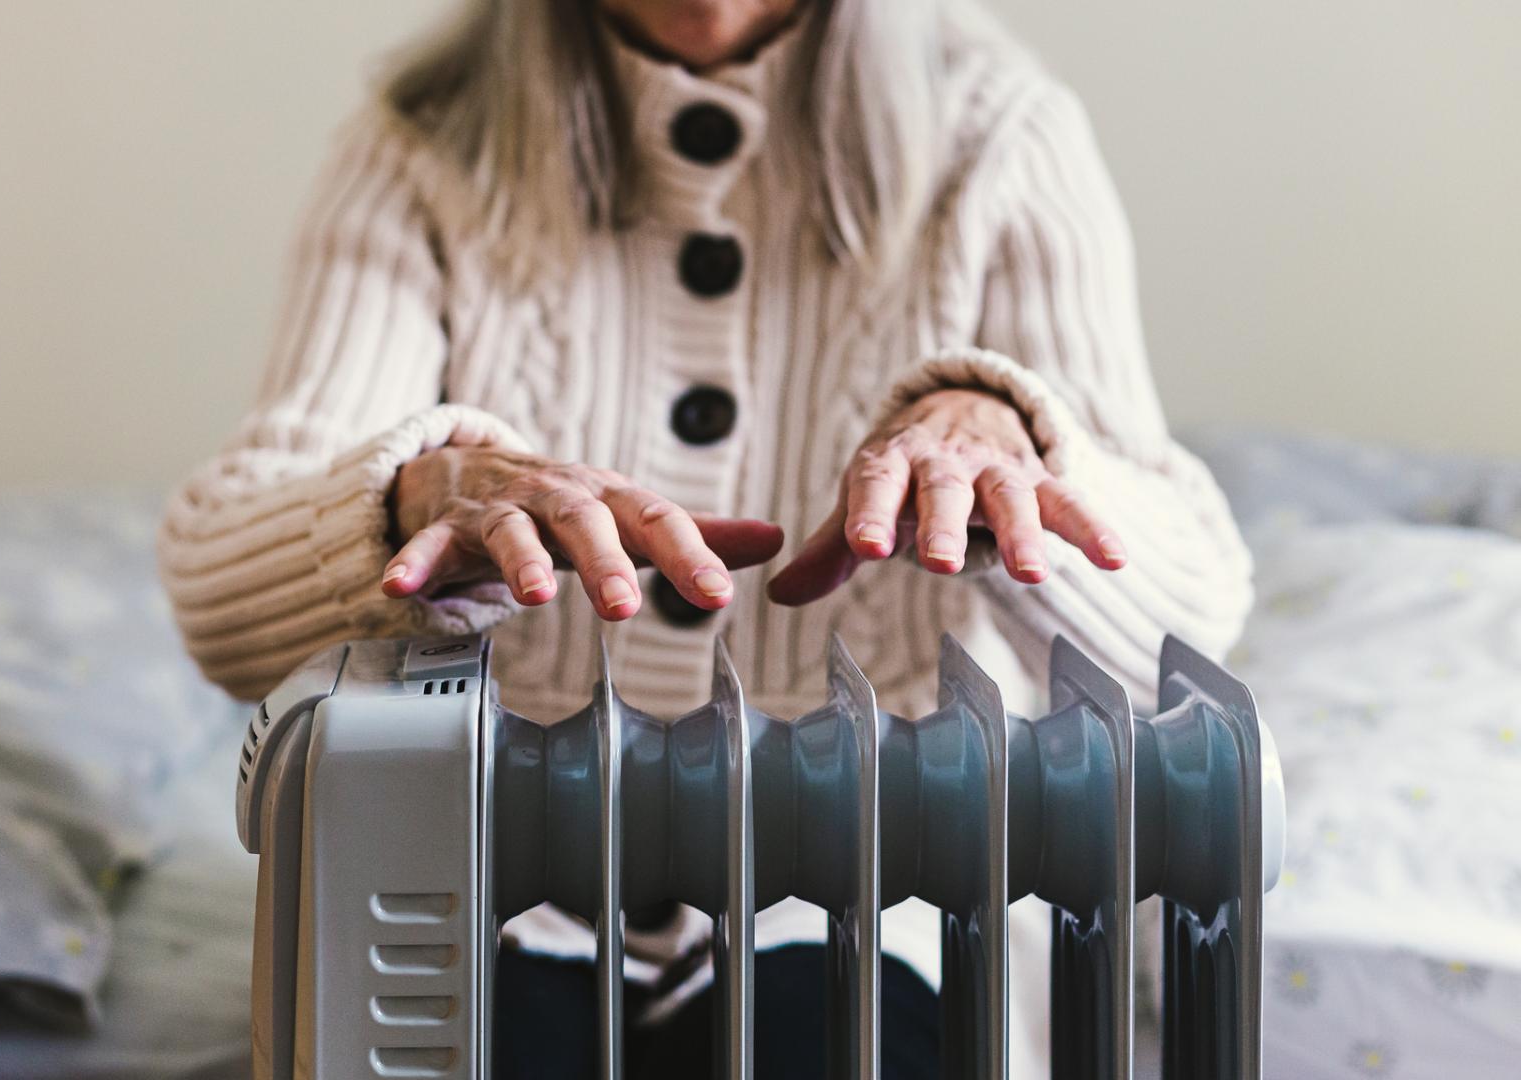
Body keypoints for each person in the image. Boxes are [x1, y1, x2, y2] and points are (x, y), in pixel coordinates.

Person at [160, 0, 1252, 1074]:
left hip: (883, 898)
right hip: (483, 887)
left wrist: (1011, 439)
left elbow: (1183, 625)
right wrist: (411, 497)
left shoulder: (1001, 137)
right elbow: (220, 605)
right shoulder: (419, 142)